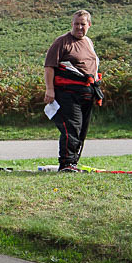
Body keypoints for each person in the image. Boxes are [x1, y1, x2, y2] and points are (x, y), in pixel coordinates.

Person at [44, 10, 102, 172]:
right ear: (72, 24)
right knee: (72, 127)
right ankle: (66, 163)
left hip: (87, 93)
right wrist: (50, 90)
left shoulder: (89, 42)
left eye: (83, 24)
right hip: (67, 93)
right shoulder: (61, 42)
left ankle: (74, 163)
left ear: (89, 25)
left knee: (82, 129)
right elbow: (49, 67)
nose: (79, 27)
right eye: (76, 24)